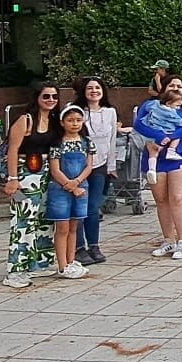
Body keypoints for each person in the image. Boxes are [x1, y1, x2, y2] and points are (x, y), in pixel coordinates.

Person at [1, 81, 60, 288]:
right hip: (26, 172)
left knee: (44, 219)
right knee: (23, 221)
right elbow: (13, 150)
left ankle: (40, 262)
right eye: (46, 96)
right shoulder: (25, 120)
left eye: (54, 96)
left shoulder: (53, 121)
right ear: (37, 98)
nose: (51, 100)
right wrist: (12, 178)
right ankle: (15, 269)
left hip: (46, 174)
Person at [135, 74, 182, 260]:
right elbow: (139, 124)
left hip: (180, 156)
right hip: (154, 154)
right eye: (172, 85)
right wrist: (157, 136)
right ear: (164, 88)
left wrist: (169, 137)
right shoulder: (149, 105)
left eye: (179, 86)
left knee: (178, 197)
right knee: (161, 200)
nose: (176, 88)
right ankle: (168, 239)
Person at [74, 76, 119, 265]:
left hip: (100, 165)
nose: (94, 91)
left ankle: (94, 245)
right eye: (90, 88)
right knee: (78, 208)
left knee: (93, 208)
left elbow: (112, 139)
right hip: (78, 166)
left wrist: (111, 165)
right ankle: (78, 247)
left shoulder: (110, 112)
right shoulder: (77, 111)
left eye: (98, 88)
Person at [46, 105, 95, 279]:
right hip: (60, 189)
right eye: (70, 120)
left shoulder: (87, 142)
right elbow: (55, 169)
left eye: (78, 120)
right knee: (62, 227)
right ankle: (62, 265)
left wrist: (77, 182)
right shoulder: (57, 144)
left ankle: (71, 259)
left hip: (81, 187)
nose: (74, 124)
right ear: (62, 122)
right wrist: (69, 185)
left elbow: (89, 165)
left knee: (75, 227)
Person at [139, 87, 182, 183]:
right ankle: (171, 150)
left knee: (153, 153)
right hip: (165, 132)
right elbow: (177, 121)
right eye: (177, 106)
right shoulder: (170, 112)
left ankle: (151, 169)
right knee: (177, 136)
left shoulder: (154, 104)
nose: (178, 108)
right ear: (169, 103)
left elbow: (147, 108)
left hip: (150, 133)